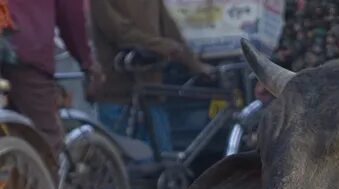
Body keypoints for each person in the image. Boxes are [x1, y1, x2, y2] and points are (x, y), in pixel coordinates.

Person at [89, 0, 214, 157]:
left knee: (164, 163)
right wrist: (162, 46)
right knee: (118, 163)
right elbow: (119, 31)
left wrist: (193, 63)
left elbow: (169, 28)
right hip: (116, 91)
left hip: (151, 89)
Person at [4, 0, 99, 154]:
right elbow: (71, 15)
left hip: (17, 47)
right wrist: (86, 62)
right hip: (24, 51)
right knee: (44, 140)